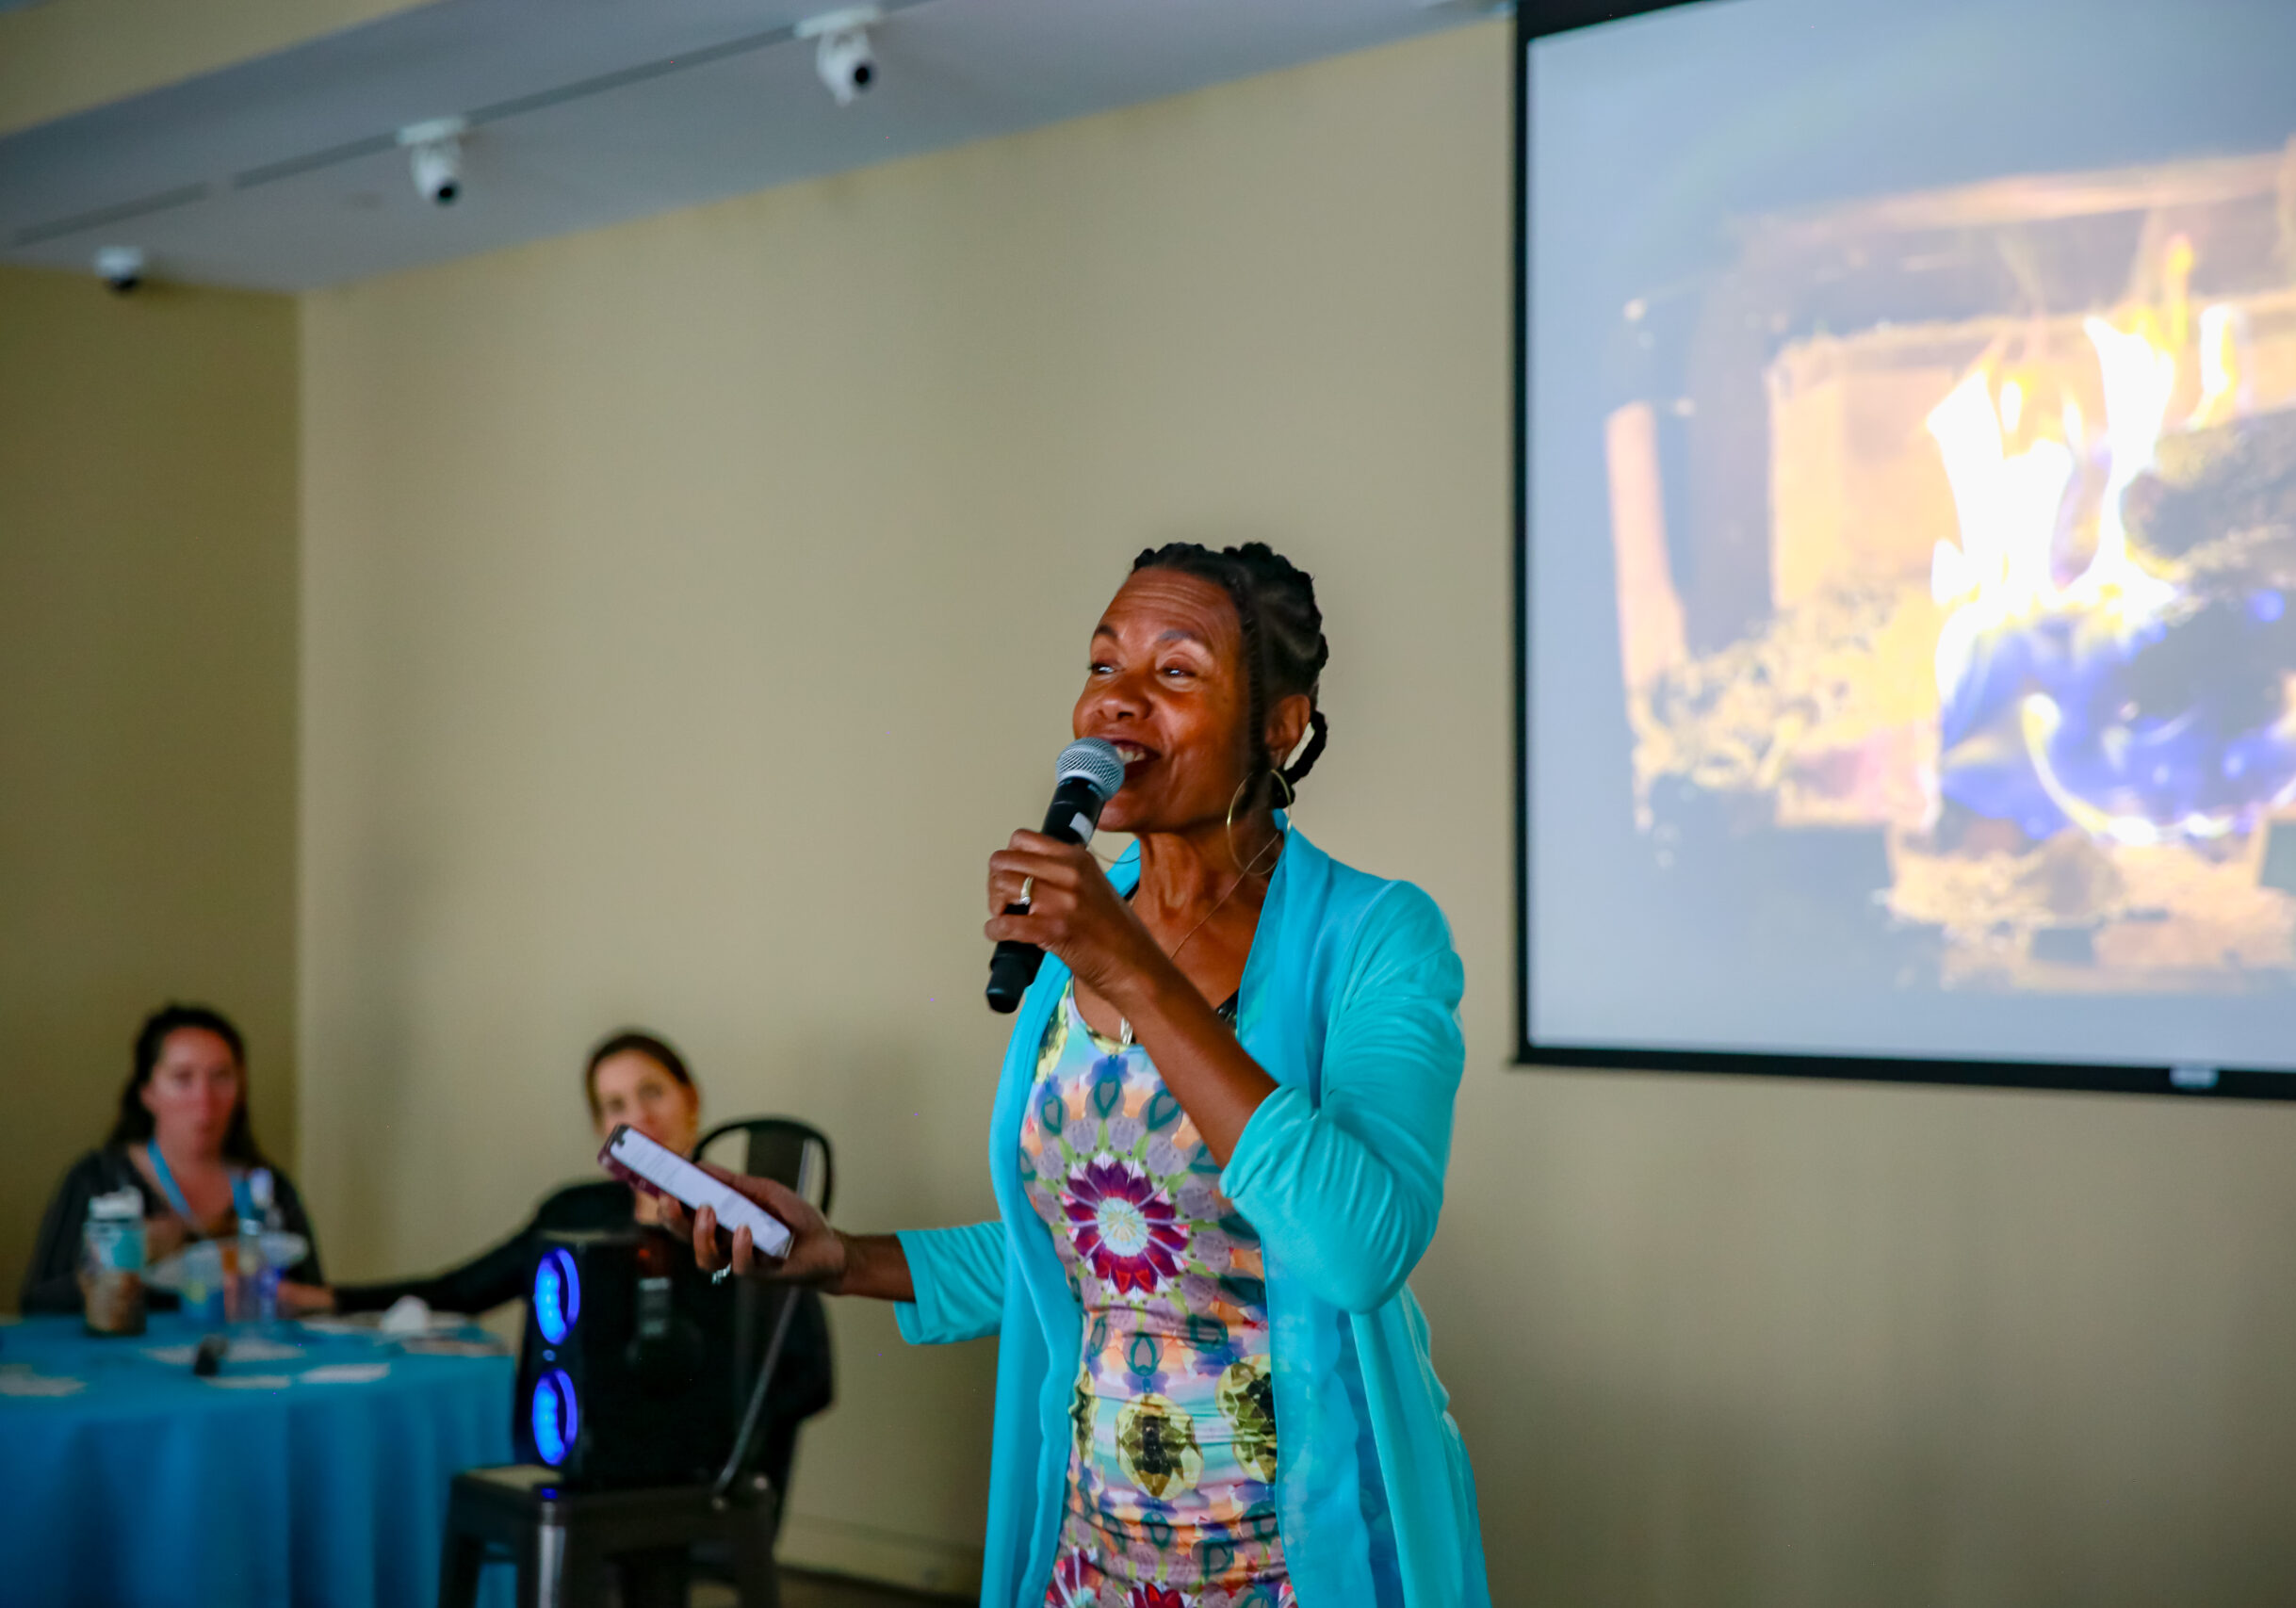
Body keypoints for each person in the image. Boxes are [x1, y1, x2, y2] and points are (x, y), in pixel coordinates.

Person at [673, 544, 1490, 1608]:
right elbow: (1097, 1254)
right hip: (1092, 1557)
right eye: (1104, 667)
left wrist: (1131, 970)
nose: (1118, 704)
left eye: (1176, 673)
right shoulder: (1086, 935)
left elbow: (1356, 1251)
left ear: (1281, 726)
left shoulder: (1377, 937)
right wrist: (838, 1256)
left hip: (1294, 1568)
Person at [279, 1029, 833, 1492]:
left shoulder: (743, 1227)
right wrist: (329, 1300)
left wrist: (720, 1440)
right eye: (616, 1105)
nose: (639, 1115)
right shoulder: (572, 1215)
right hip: (578, 1462)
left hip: (696, 1472)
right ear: (603, 1131)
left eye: (653, 1092)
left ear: (692, 1098)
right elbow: (466, 1289)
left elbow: (808, 1375)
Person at [23, 1003, 323, 1314]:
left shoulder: (269, 1188)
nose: (204, 1100)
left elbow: (317, 1303)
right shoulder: (99, 1179)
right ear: (148, 1093)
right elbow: (36, 1304)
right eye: (183, 1078)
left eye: (221, 1077)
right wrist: (122, 1263)